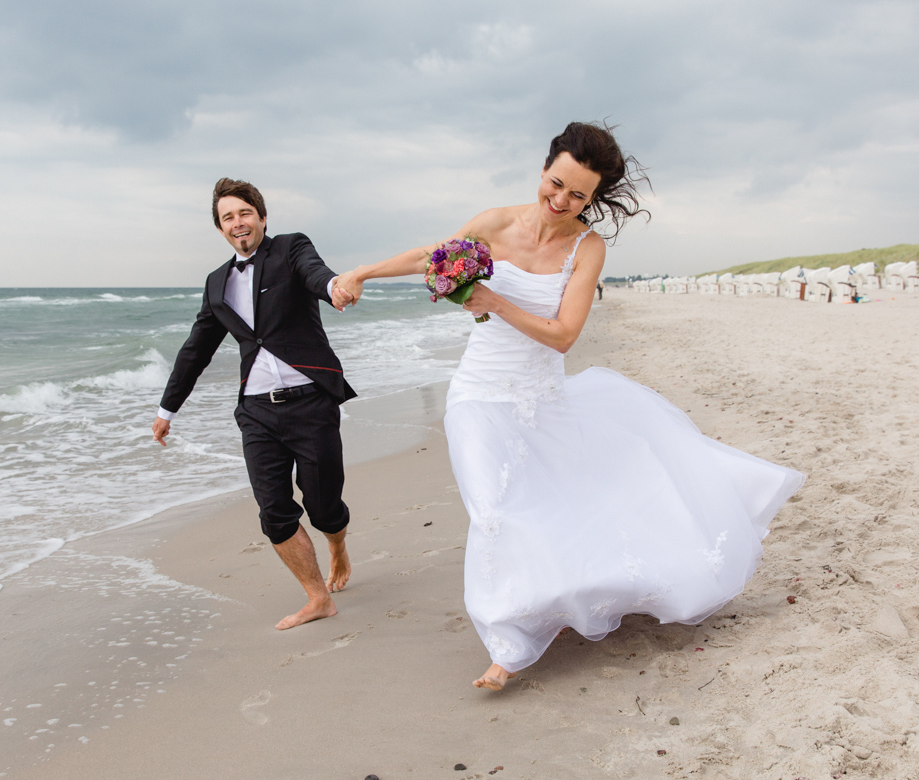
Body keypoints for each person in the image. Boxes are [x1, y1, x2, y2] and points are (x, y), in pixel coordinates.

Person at [334, 122, 805, 689]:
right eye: (555, 184)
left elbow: (562, 335)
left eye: (577, 195)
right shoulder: (492, 222)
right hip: (477, 392)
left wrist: (495, 301)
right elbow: (429, 258)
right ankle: (511, 639)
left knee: (552, 505)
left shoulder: (588, 247)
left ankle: (533, 622)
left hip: (541, 395)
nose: (559, 202)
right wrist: (361, 272)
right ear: (543, 170)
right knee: (494, 511)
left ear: (593, 198)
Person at [152, 178, 358, 630]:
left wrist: (335, 288)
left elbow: (316, 274)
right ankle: (317, 597)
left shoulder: (290, 248)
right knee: (274, 511)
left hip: (310, 402)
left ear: (262, 217)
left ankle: (337, 544)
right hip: (257, 412)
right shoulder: (216, 283)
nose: (237, 222)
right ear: (221, 229)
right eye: (227, 217)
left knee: (324, 507)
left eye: (244, 212)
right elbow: (196, 349)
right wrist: (167, 411)